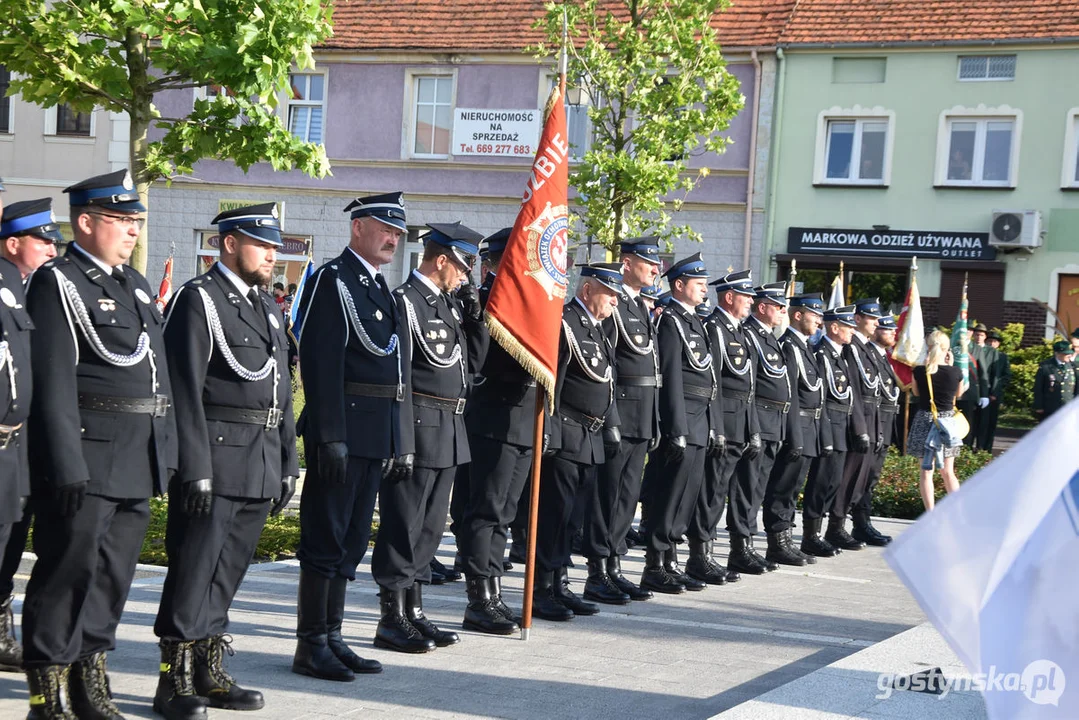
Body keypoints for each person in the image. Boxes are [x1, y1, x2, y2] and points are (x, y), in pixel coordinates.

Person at [22, 169, 178, 718]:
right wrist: (63, 464)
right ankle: (48, 691)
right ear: (85, 222)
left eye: (136, 220)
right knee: (68, 570)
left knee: (113, 576)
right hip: (88, 455)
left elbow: (158, 375)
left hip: (136, 455)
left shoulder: (132, 285)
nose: (133, 230)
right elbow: (53, 382)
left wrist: (170, 453)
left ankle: (91, 679)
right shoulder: (58, 282)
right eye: (121, 220)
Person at [152, 203, 299, 717]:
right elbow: (183, 389)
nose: (272, 255)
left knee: (228, 571)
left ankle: (210, 667)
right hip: (214, 457)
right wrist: (193, 466)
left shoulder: (265, 305)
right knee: (194, 569)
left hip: (258, 461)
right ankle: (174, 678)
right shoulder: (200, 300)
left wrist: (286, 460)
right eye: (263, 245)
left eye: (276, 246)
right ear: (229, 243)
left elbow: (282, 387)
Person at [290, 192, 413, 681]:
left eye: (398, 232)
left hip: (375, 433)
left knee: (352, 540)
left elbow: (397, 373)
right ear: (358, 226)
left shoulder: (381, 288)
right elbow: (321, 365)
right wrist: (330, 435)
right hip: (343, 432)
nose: (393, 238)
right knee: (326, 536)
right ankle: (311, 643)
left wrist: (398, 439)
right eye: (386, 228)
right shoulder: (331, 280)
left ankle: (333, 635)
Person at [371, 222, 487, 652]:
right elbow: (397, 377)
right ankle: (391, 616)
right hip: (418, 426)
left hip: (450, 428)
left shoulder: (447, 304)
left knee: (431, 528)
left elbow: (472, 365)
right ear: (442, 260)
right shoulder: (405, 302)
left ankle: (415, 611)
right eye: (462, 267)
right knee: (404, 524)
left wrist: (476, 320)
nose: (464, 277)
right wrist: (399, 440)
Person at [531, 263, 622, 620]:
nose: (615, 300)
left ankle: (560, 584)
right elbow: (551, 383)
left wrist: (610, 424)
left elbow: (607, 383)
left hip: (590, 436)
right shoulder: (565, 323)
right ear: (587, 291)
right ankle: (541, 589)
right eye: (609, 293)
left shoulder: (598, 328)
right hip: (566, 434)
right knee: (555, 515)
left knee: (572, 519)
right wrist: (549, 433)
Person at [459, 227, 536, 636]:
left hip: (523, 420)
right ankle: (478, 598)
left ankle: (494, 590)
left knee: (505, 514)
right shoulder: (486, 299)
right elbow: (484, 360)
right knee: (486, 512)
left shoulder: (531, 301)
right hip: (493, 418)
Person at [583, 237, 661, 604]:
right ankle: (598, 571)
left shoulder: (640, 306)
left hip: (641, 414)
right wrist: (610, 415)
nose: (655, 269)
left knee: (627, 497)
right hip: (621, 411)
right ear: (627, 263)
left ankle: (614, 565)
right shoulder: (614, 304)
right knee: (608, 496)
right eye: (648, 262)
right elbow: (606, 364)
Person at [641, 253, 717, 594]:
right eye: (699, 285)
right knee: (668, 493)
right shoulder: (670, 320)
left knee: (687, 495)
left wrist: (711, 424)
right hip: (682, 418)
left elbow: (709, 377)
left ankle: (672, 559)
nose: (705, 291)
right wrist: (675, 428)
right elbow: (670, 377)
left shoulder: (694, 321)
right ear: (680, 285)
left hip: (699, 418)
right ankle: (656, 564)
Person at [0, 195, 50, 673]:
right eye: (42, 240)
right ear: (14, 244)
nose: (52, 249)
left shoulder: (22, 286)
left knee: (11, 536)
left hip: (18, 440)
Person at [698, 269, 762, 579]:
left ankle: (733, 551)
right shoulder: (716, 328)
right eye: (746, 296)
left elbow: (747, 387)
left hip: (741, 426)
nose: (751, 301)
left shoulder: (739, 331)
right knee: (712, 493)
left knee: (730, 492)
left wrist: (752, 429)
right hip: (724, 425)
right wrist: (718, 428)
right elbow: (715, 384)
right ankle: (702, 555)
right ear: (729, 297)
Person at [763, 293, 827, 566]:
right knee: (783, 486)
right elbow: (791, 394)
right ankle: (777, 543)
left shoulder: (804, 346)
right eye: (815, 315)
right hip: (795, 425)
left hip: (809, 425)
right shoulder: (788, 346)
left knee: (794, 487)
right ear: (798, 315)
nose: (819, 321)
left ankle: (787, 539)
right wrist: (795, 435)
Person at [802, 305, 868, 557]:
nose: (852, 330)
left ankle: (823, 532)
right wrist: (825, 432)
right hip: (828, 425)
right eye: (848, 326)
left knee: (833, 482)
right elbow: (821, 397)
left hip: (842, 427)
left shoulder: (841, 354)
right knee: (821, 482)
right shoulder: (822, 354)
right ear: (834, 327)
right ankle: (811, 535)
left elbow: (850, 396)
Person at [740, 283, 799, 566]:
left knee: (760, 487)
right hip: (759, 419)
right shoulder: (750, 334)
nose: (783, 311)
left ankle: (749, 547)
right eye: (778, 306)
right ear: (762, 307)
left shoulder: (770, 337)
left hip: (774, 421)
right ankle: (742, 548)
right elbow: (749, 386)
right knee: (748, 488)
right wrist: (752, 426)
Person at [829, 298, 886, 552]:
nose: (876, 323)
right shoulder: (851, 348)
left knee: (861, 479)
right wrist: (860, 427)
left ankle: (849, 523)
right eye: (871, 318)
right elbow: (852, 388)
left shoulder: (869, 349)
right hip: (858, 419)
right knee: (848, 477)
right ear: (858, 318)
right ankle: (836, 527)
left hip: (871, 418)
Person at [850, 314, 901, 546]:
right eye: (886, 329)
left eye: (892, 330)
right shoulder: (865, 353)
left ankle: (864, 522)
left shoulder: (881, 356)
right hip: (873, 423)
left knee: (872, 478)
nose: (891, 333)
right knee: (863, 477)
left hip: (884, 424)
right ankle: (860, 524)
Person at [908, 330, 968, 511]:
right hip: (948, 423)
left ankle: (930, 513)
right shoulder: (955, 372)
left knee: (926, 472)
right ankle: (958, 509)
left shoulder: (919, 371)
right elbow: (958, 395)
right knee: (948, 472)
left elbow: (916, 393)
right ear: (947, 349)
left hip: (925, 420)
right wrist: (950, 366)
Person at [977, 329, 1011, 450]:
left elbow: (1006, 376)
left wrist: (995, 392)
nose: (992, 343)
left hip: (994, 395)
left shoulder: (1002, 357)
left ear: (998, 344)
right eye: (990, 341)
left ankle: (987, 448)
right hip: (981, 393)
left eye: (995, 341)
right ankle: (978, 447)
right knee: (979, 422)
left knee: (990, 423)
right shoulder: (981, 354)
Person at [965, 323, 994, 449]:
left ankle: (972, 449)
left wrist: (984, 394)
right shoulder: (953, 344)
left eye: (970, 331)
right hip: (955, 393)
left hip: (972, 392)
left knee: (974, 423)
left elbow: (983, 373)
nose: (968, 332)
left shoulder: (978, 350)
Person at [1032, 339, 1076, 421]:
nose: (1069, 355)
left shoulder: (1072, 366)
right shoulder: (1046, 367)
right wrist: (1039, 406)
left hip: (1068, 407)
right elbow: (1038, 388)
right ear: (1057, 353)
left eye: (1070, 353)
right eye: (1066, 353)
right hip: (1050, 408)